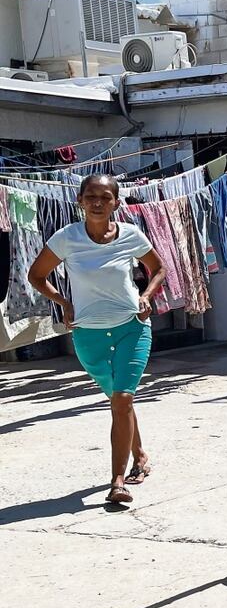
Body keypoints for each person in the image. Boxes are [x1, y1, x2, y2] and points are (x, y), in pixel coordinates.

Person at [28, 175, 167, 505]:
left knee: (121, 399)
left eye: (105, 197)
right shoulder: (67, 238)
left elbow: (158, 268)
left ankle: (118, 482)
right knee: (120, 402)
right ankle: (141, 455)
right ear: (80, 200)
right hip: (88, 334)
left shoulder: (131, 235)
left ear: (116, 203)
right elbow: (36, 275)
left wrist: (147, 295)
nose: (98, 202)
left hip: (131, 327)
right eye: (91, 196)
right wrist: (64, 302)